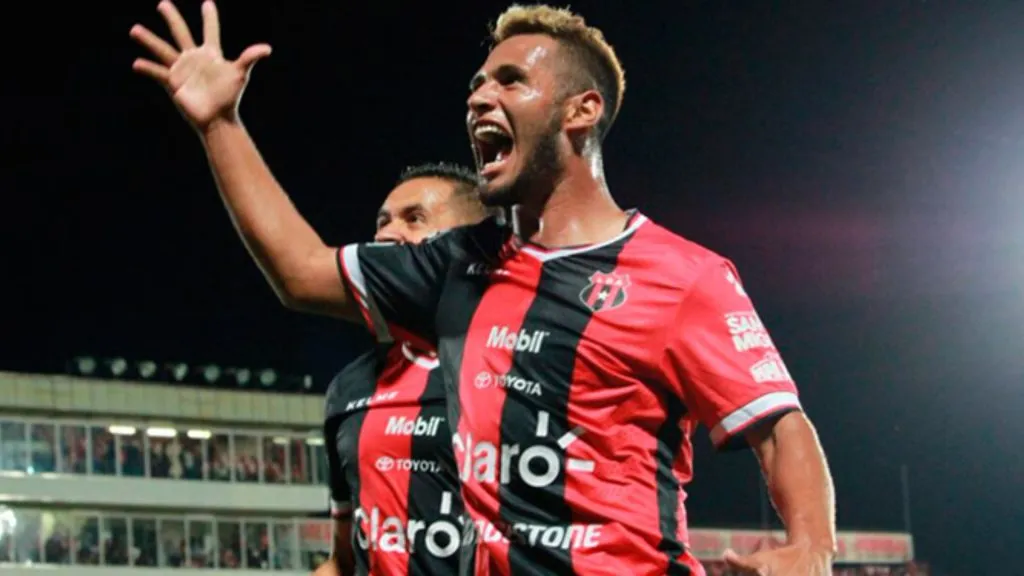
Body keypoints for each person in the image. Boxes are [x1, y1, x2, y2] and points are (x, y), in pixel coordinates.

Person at [129, 2, 836, 575]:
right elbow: (301, 272)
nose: (479, 97)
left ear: (581, 111)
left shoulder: (683, 276)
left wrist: (810, 545)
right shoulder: (458, 266)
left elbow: (779, 428)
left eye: (508, 80)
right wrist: (221, 125)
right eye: (476, 84)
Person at [318, 163, 489, 576]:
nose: (385, 235)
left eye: (414, 219)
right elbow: (342, 561)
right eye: (382, 222)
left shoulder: (513, 369)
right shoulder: (349, 387)